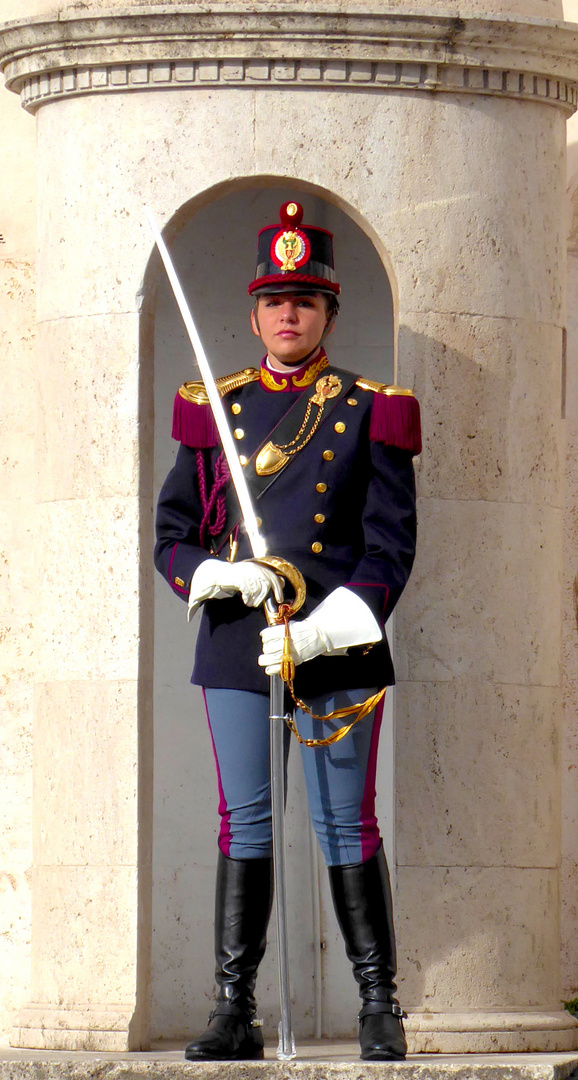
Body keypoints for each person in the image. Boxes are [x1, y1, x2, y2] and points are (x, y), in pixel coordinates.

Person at [154, 200, 421, 1062]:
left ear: (329, 313)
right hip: (238, 642)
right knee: (248, 822)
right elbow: (173, 535)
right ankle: (235, 1010)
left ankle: (379, 1004)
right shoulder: (214, 408)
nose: (289, 313)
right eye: (275, 300)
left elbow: (389, 546)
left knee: (346, 822)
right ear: (254, 312)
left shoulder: (370, 408)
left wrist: (323, 632)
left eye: (305, 300)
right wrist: (214, 573)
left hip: (336, 642)